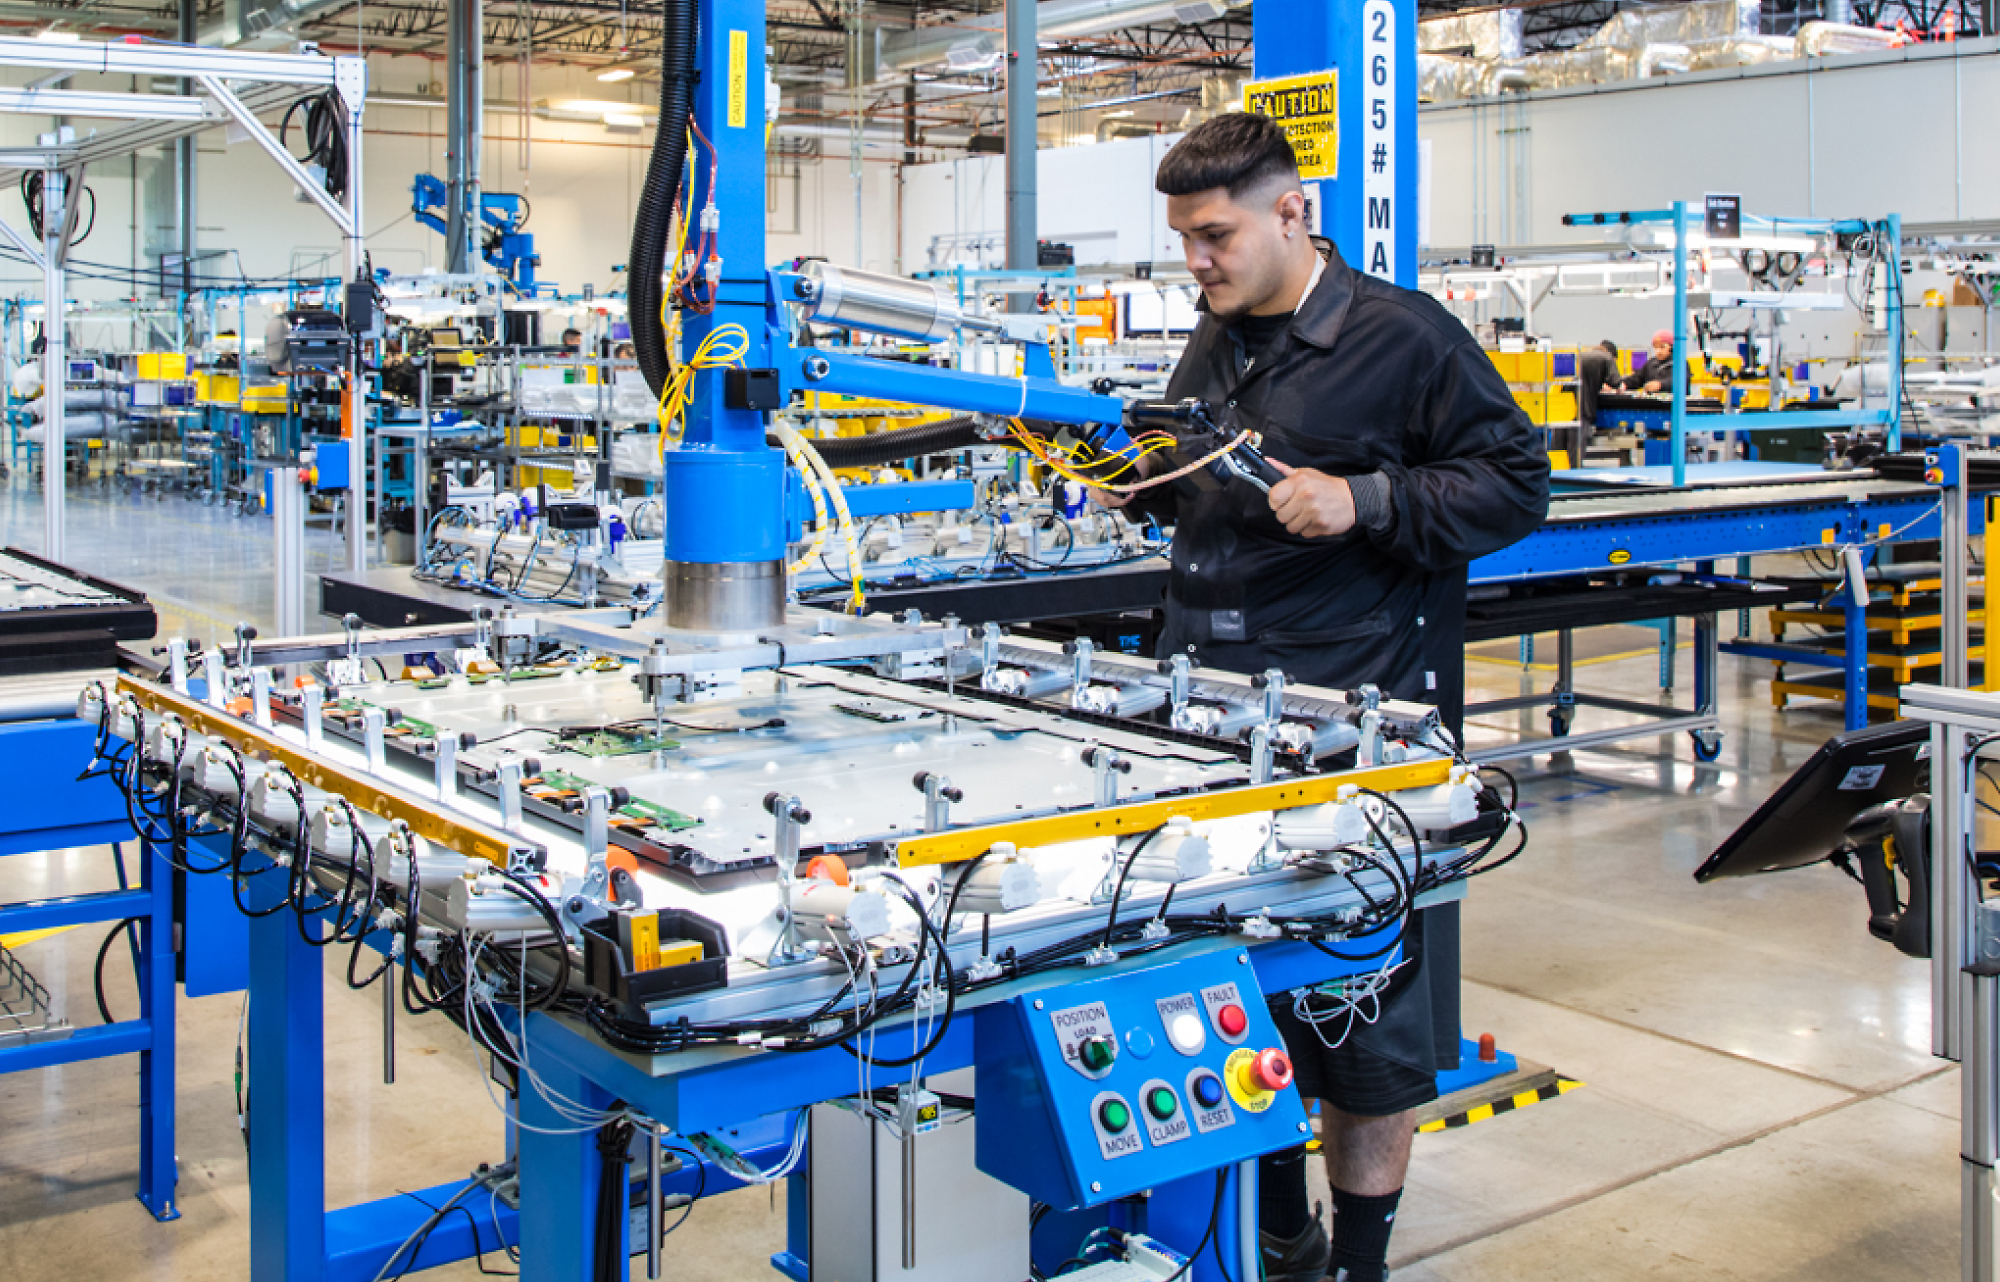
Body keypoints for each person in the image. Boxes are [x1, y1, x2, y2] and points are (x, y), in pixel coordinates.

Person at [1094, 111, 1549, 1282]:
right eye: (1184, 241)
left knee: (1361, 1022)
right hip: (1209, 724)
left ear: (1289, 212)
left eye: (1212, 235)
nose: (1194, 262)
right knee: (1230, 1002)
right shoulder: (1215, 337)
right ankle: (1277, 1227)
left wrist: (1368, 504)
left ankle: (1357, 1259)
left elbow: (1513, 484)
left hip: (1353, 734)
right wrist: (1136, 485)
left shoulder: (1401, 337)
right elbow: (1200, 478)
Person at [1576, 339, 1619, 427]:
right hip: (1584, 412)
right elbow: (1616, 383)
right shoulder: (1607, 357)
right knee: (1580, 439)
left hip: (1564, 410)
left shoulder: (1580, 356)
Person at [1620, 328, 1676, 393]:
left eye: (1662, 347)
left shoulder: (1680, 364)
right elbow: (1636, 379)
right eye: (1656, 347)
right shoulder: (1650, 364)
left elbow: (1679, 382)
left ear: (1671, 348)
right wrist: (1622, 384)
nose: (1658, 351)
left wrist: (1660, 385)